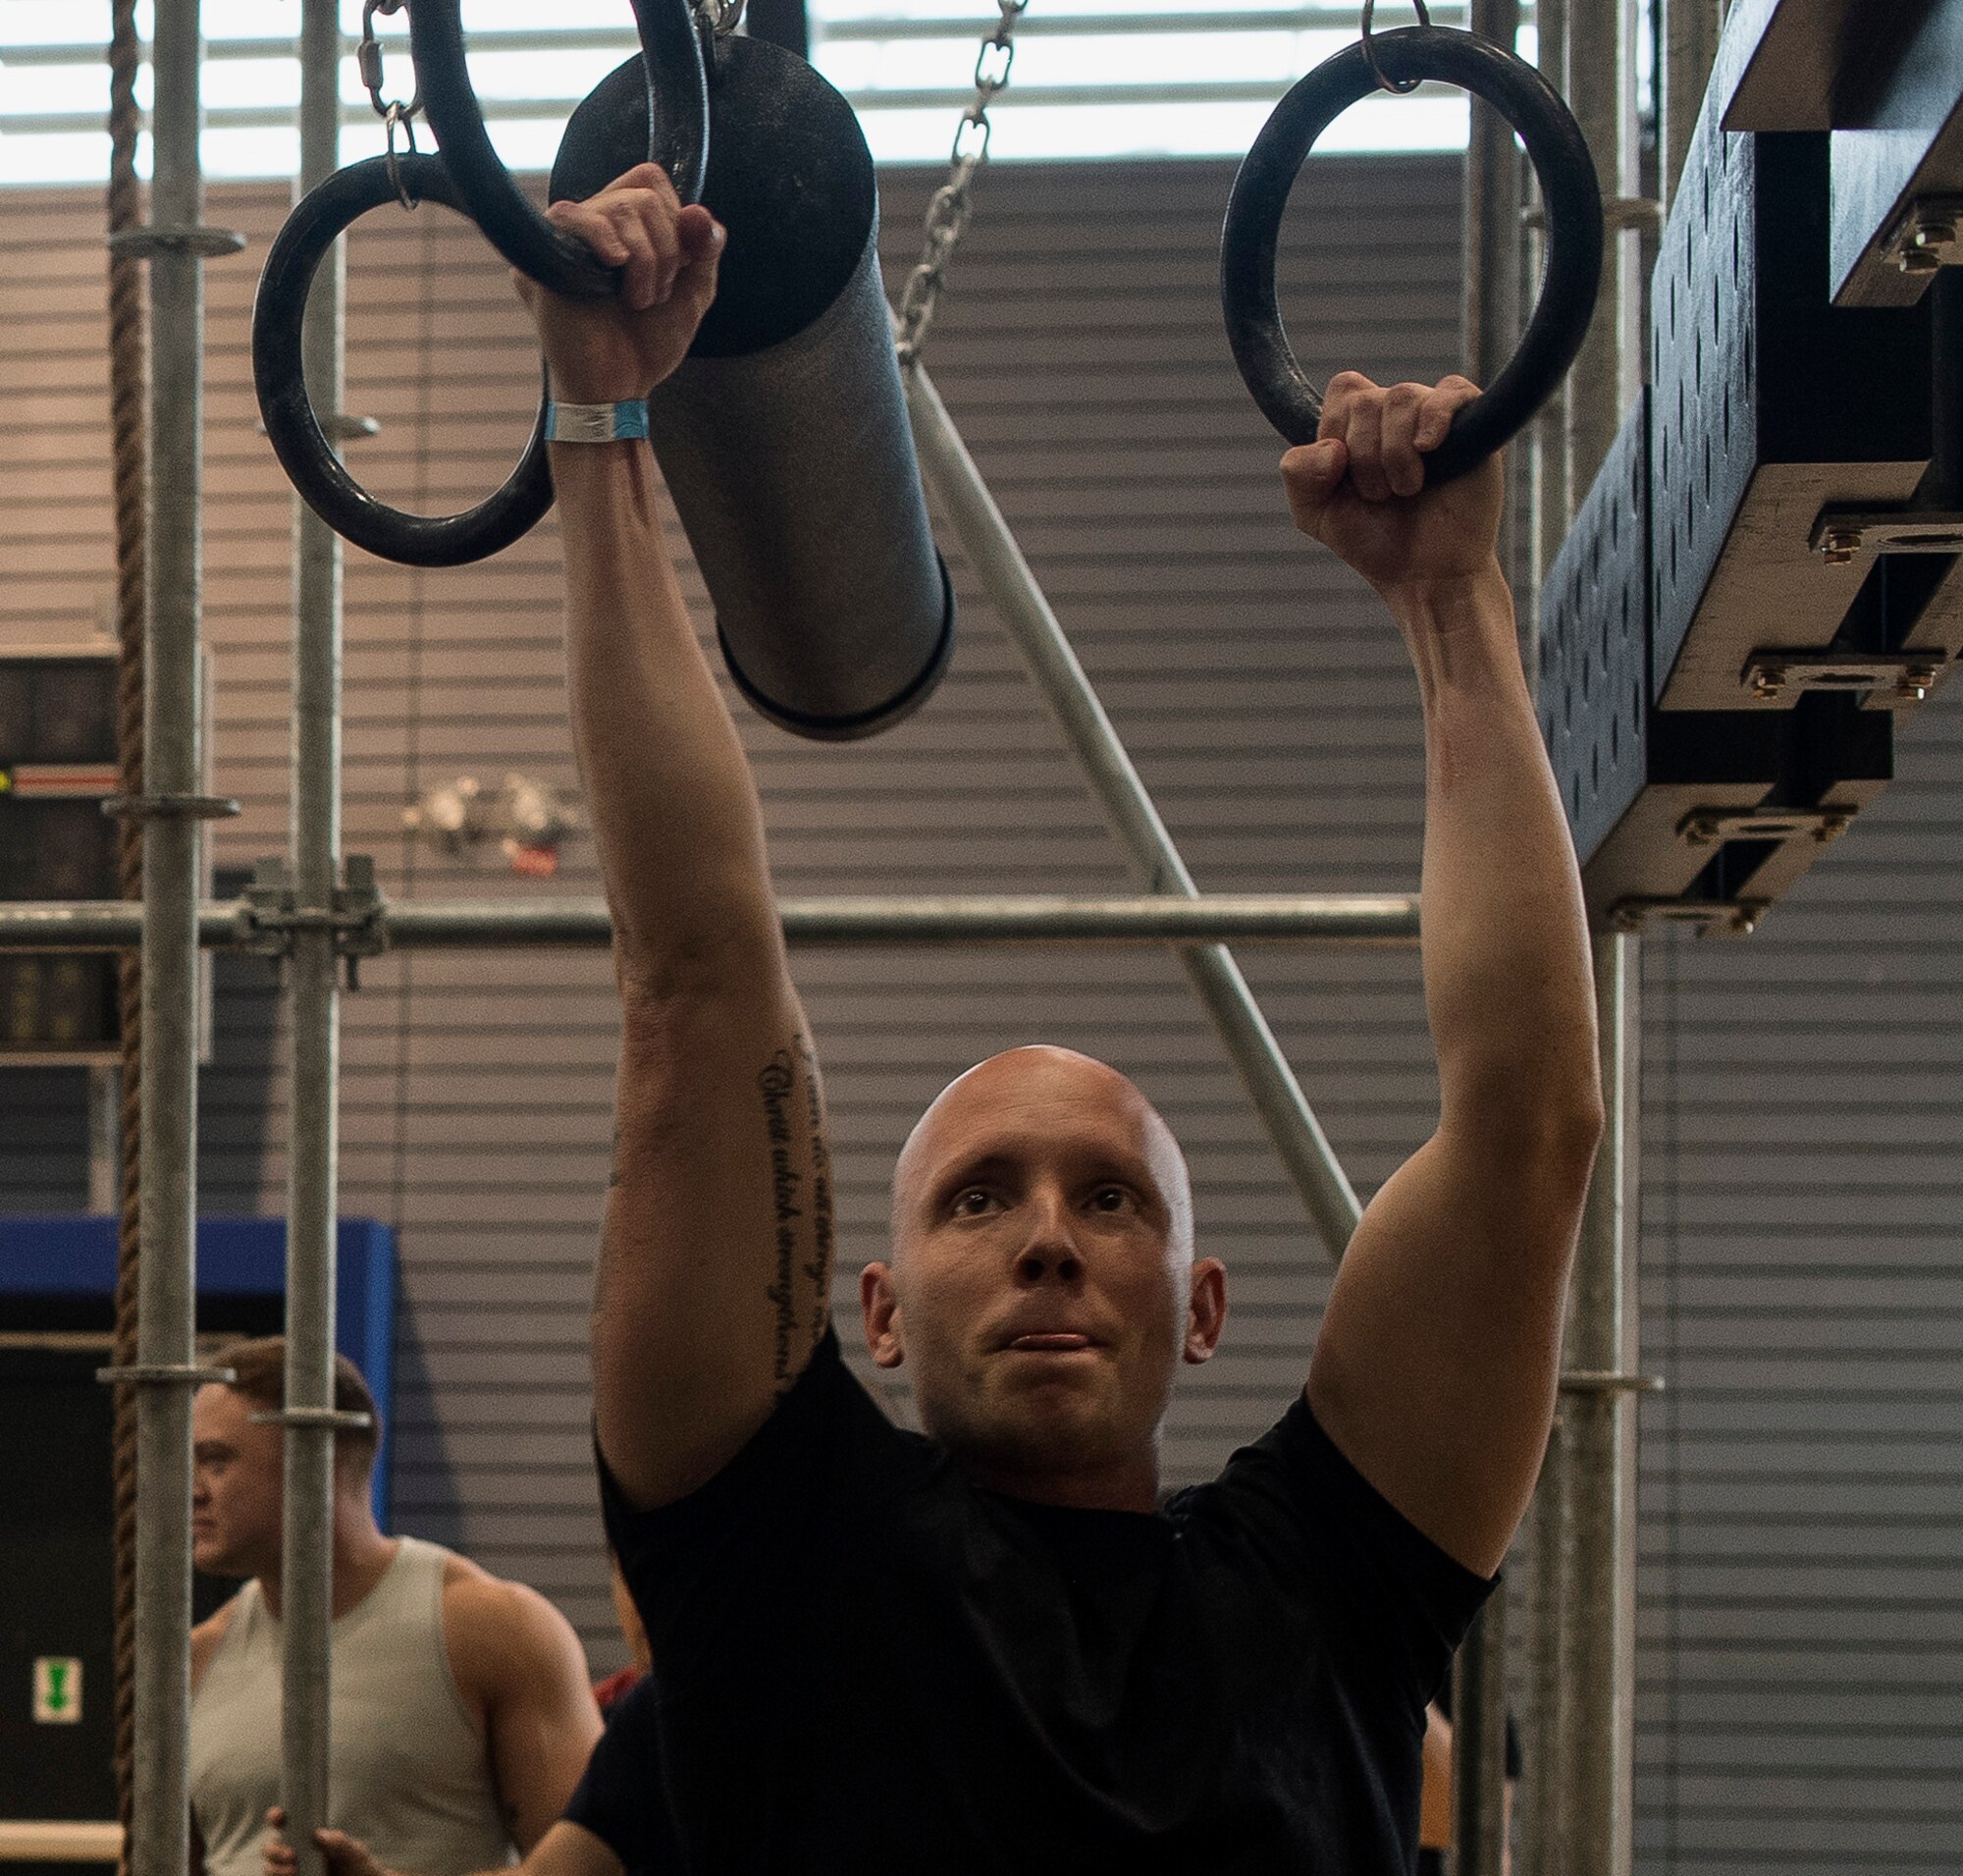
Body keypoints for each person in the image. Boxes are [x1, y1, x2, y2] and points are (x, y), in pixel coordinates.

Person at [283, 161, 1602, 1875]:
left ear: (1202, 1307)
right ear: (879, 1309)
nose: (1048, 1240)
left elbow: (1531, 1127)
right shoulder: (782, 1559)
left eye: (1107, 1199)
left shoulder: (1327, 1591)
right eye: (982, 1197)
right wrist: (600, 426)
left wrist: (1452, 600)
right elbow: (693, 976)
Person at [187, 1336, 603, 1876]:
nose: (191, 1489)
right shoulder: (198, 1658)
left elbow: (599, 1868)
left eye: (215, 1460)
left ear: (320, 1459)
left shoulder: (493, 1630)